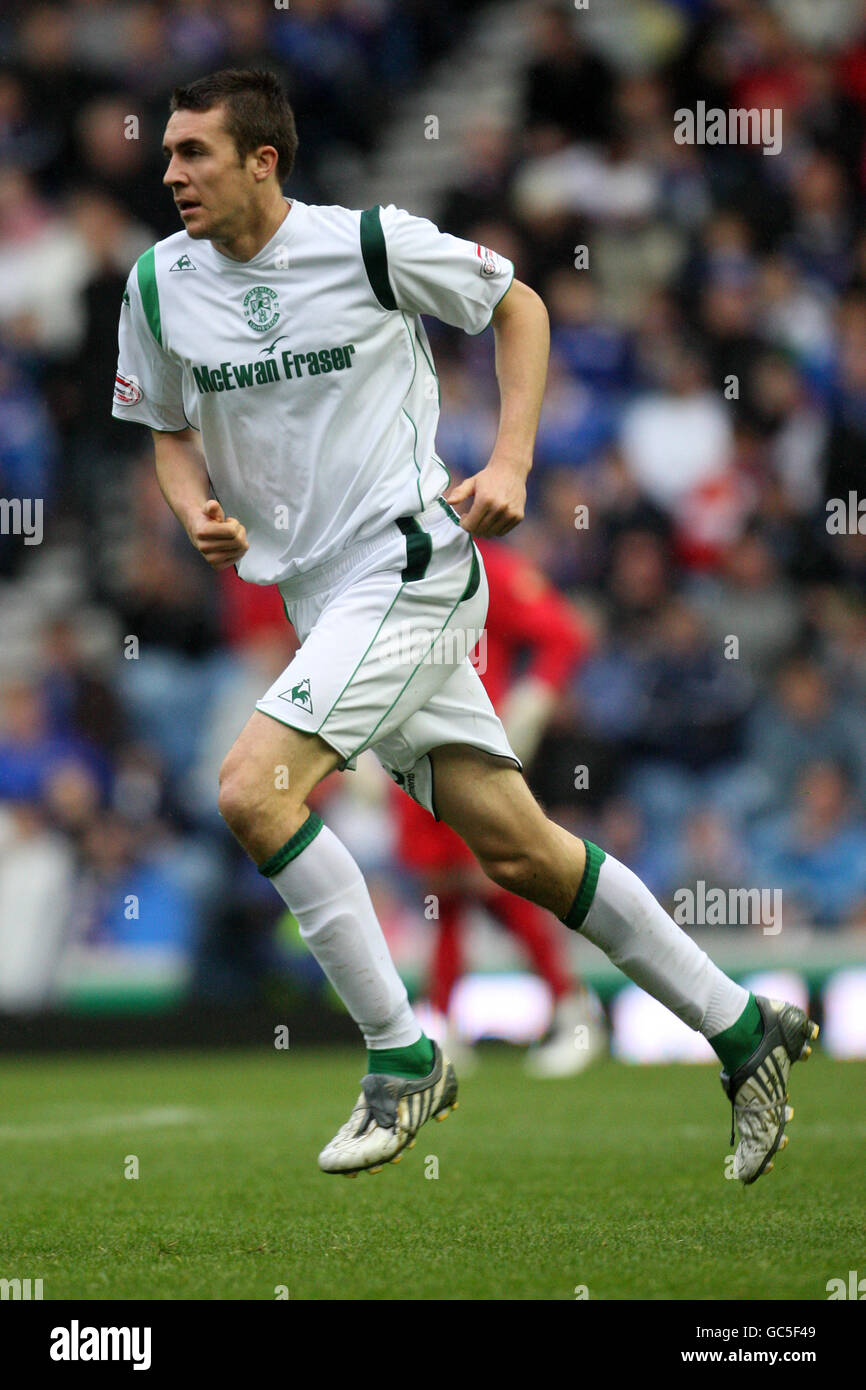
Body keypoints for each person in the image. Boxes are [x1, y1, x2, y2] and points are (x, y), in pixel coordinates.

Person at [112, 68, 816, 1184]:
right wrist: (191, 505)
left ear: (263, 161)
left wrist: (512, 460)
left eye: (193, 151)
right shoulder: (156, 285)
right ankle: (740, 1027)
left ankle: (401, 1057)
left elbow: (520, 305)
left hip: (406, 562)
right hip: (318, 604)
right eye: (166, 152)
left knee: (252, 789)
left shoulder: (371, 245)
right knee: (518, 850)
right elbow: (160, 427)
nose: (168, 172)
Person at [394, 535, 605, 1077]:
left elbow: (563, 635)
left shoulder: (486, 565)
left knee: (497, 878)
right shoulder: (384, 565)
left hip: (469, 744)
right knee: (446, 893)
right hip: (407, 742)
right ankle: (443, 1025)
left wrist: (534, 702)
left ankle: (570, 1006)